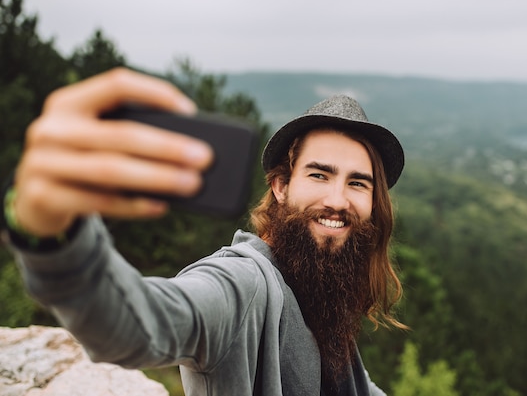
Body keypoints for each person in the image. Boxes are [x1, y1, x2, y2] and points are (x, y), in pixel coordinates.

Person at [1, 68, 406, 396]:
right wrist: (52, 234)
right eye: (319, 175)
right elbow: (136, 324)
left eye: (358, 183)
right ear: (281, 186)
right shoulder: (243, 285)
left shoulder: (321, 293)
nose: (338, 199)